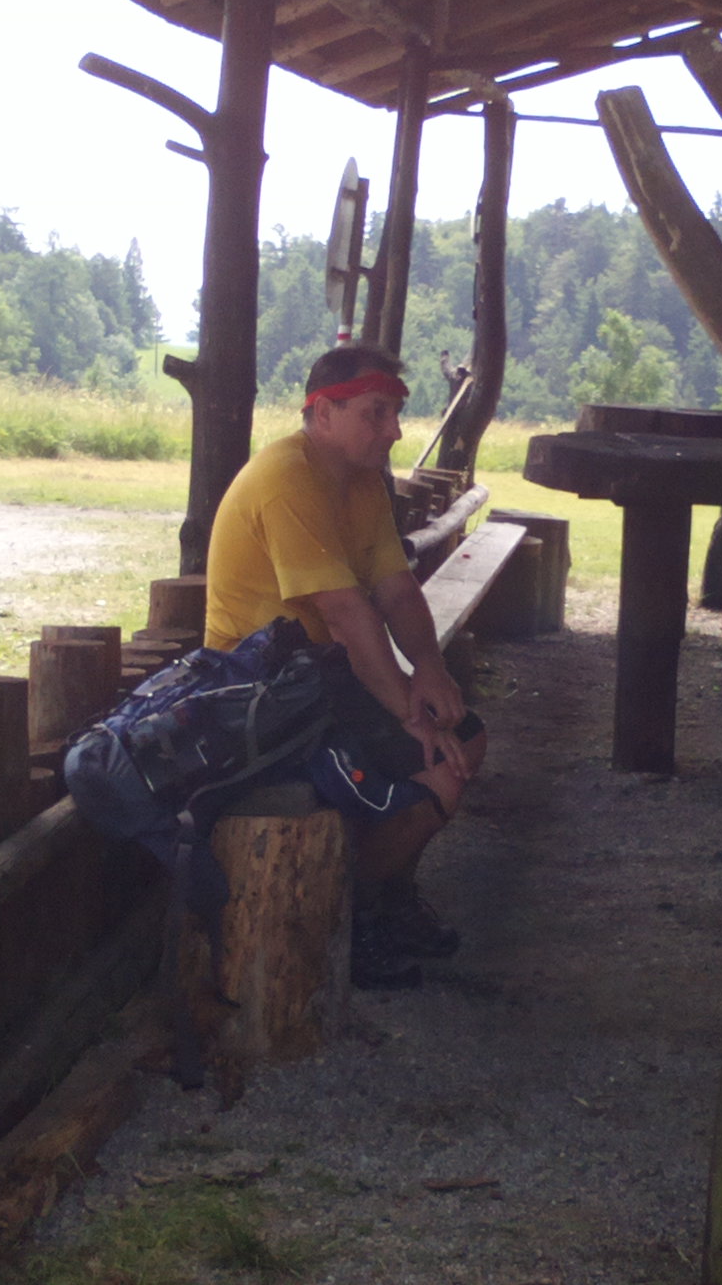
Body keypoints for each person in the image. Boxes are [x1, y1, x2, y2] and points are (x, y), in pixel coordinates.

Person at [202, 342, 488, 989]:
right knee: (439, 768)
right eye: (375, 413)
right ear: (323, 413)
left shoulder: (360, 481)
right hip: (259, 690)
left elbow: (395, 589)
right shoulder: (286, 477)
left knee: (464, 739)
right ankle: (351, 917)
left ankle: (383, 896)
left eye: (394, 413)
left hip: (316, 677)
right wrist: (407, 709)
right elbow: (344, 613)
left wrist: (429, 669)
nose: (394, 431)